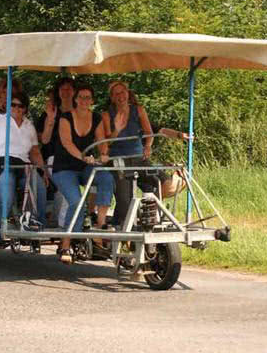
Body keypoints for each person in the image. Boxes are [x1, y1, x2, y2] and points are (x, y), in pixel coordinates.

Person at [0, 90, 48, 247]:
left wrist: (43, 171)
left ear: (25, 108)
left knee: (40, 189)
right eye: (12, 104)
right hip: (2, 163)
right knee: (5, 195)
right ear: (7, 106)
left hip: (23, 164)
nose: (16, 108)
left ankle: (38, 228)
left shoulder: (29, 126)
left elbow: (34, 151)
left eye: (20, 105)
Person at [51, 83, 115, 264]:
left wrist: (103, 154)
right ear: (76, 99)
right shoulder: (65, 117)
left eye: (88, 98)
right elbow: (66, 142)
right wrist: (83, 156)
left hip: (84, 167)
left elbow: (102, 140)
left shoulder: (96, 118)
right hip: (64, 168)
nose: (84, 101)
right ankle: (66, 244)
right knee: (77, 202)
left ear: (92, 100)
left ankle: (99, 227)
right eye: (81, 97)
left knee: (106, 177)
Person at [102, 80, 169, 224]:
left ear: (128, 93)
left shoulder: (138, 110)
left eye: (123, 92)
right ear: (112, 97)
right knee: (124, 201)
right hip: (119, 161)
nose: (120, 96)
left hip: (139, 158)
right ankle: (120, 226)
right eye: (116, 93)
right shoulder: (107, 115)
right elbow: (107, 142)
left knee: (163, 181)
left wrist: (148, 146)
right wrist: (117, 130)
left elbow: (149, 132)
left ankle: (151, 215)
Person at [36, 78, 75, 228]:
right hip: (54, 156)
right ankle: (64, 225)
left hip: (77, 157)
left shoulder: (80, 111)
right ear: (58, 93)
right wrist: (51, 120)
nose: (66, 92)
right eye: (62, 89)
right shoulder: (50, 113)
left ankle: (85, 219)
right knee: (66, 184)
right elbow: (43, 139)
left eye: (69, 89)